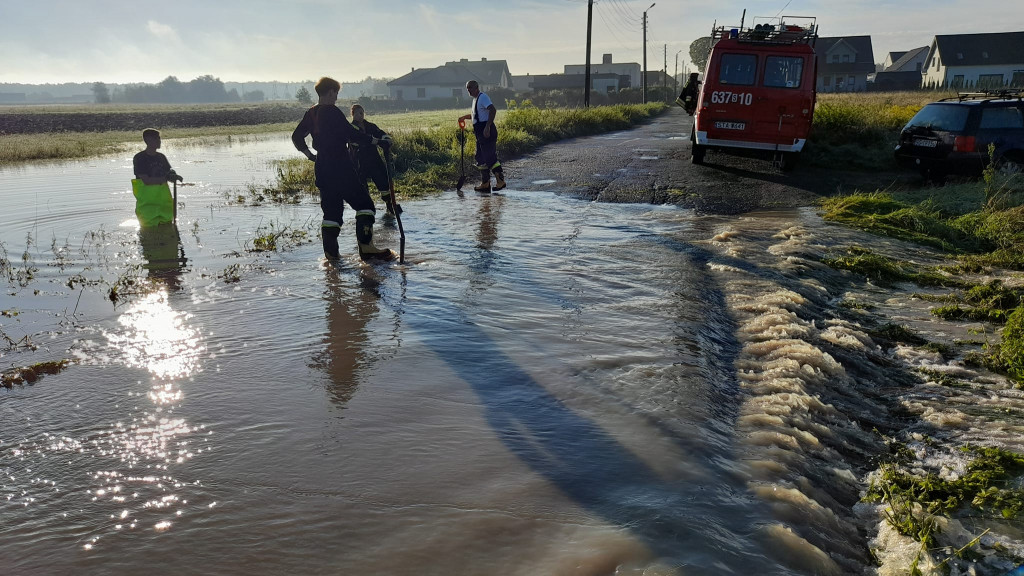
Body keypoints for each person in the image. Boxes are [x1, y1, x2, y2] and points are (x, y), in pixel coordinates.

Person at [292, 77, 396, 262]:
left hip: (322, 167)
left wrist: (310, 155)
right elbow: (351, 134)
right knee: (365, 205)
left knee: (331, 213)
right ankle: (367, 249)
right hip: (340, 165)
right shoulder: (332, 111)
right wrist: (377, 141)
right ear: (331, 91)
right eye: (336, 93)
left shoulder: (311, 113)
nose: (336, 97)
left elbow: (296, 136)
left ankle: (331, 256)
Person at [348, 104, 401, 217]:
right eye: (358, 113)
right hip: (359, 161)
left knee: (383, 181)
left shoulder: (370, 126)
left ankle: (389, 204)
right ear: (353, 114)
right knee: (362, 185)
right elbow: (359, 140)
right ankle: (365, 209)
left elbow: (381, 133)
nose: (360, 115)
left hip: (373, 159)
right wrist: (377, 142)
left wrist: (386, 141)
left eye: (362, 113)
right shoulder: (351, 129)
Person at [458, 80, 505, 193]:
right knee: (480, 157)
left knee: (489, 157)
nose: (469, 90)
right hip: (480, 132)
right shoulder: (475, 100)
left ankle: (500, 181)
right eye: (467, 88)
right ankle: (485, 184)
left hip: (486, 131)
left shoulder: (483, 97)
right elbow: (475, 115)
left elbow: (492, 110)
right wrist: (464, 117)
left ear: (476, 87)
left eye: (470, 87)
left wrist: (487, 127)